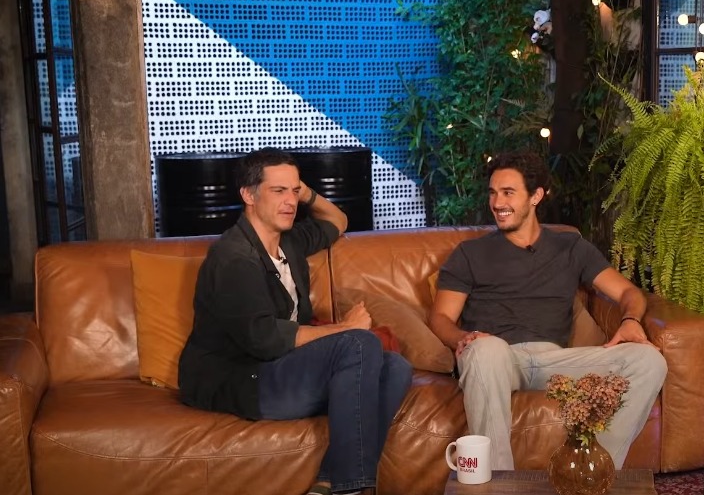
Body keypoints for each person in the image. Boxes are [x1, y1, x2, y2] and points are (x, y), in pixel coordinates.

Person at [178, 148, 412, 495]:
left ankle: (329, 481)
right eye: (278, 191)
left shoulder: (289, 242)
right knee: (359, 343)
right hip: (240, 379)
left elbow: (338, 220)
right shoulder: (234, 258)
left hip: (279, 367)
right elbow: (264, 339)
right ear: (248, 195)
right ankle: (352, 488)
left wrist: (306, 193)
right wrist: (343, 329)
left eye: (294, 191)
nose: (290, 201)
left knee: (396, 367)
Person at [427, 150, 668, 470]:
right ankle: (497, 484)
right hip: (497, 357)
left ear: (536, 196)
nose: (497, 203)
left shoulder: (570, 247)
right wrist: (462, 338)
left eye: (508, 193)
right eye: (493, 193)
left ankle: (594, 473)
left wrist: (630, 319)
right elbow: (440, 317)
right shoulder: (470, 253)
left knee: (649, 360)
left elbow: (628, 292)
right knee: (486, 351)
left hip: (555, 361)